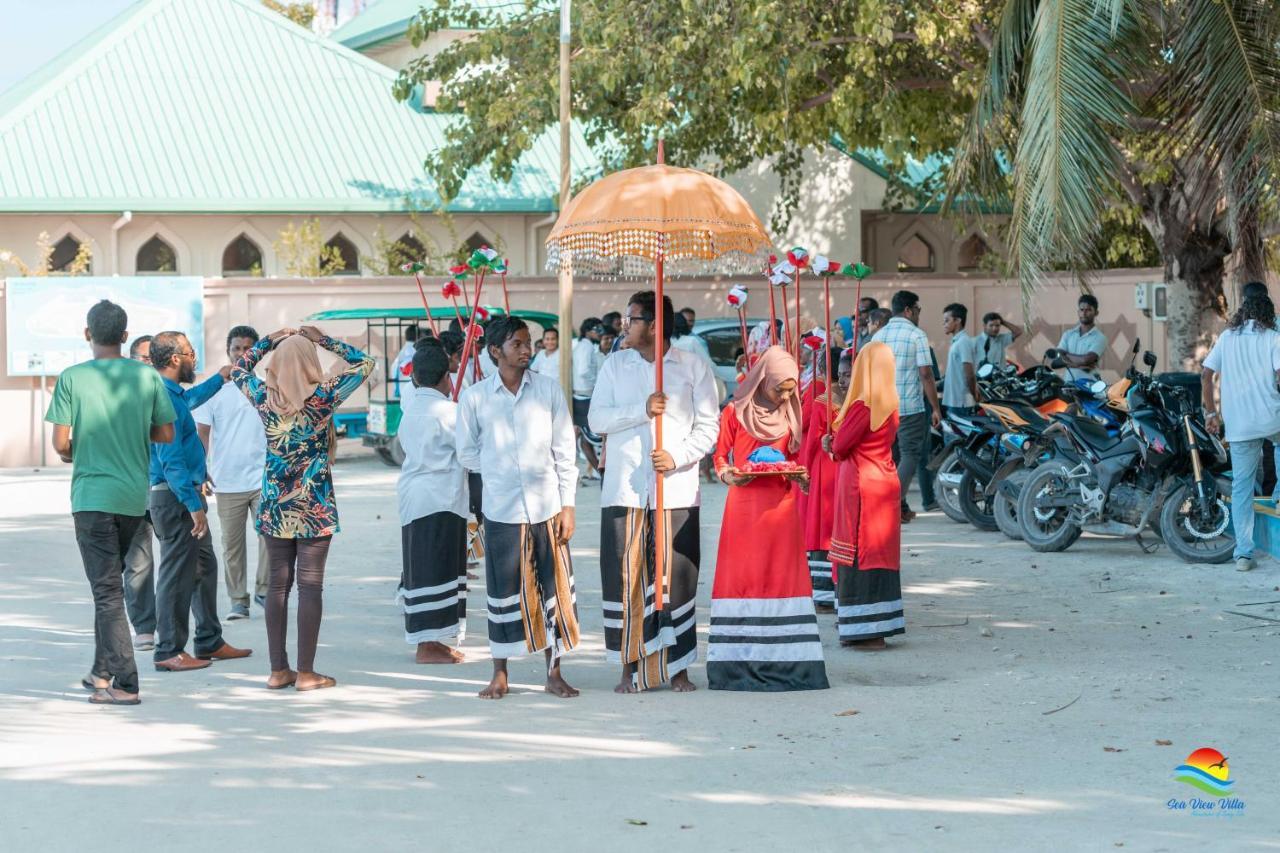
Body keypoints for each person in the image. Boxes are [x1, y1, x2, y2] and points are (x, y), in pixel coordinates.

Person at [232, 325, 375, 691]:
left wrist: (269, 342)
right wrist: (321, 340)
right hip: (314, 505)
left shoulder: (263, 396)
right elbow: (365, 363)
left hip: (275, 507)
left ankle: (279, 670)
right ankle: (307, 672)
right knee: (310, 587)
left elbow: (237, 369)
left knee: (277, 586)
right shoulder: (324, 397)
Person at [589, 291, 720, 693]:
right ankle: (628, 666)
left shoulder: (693, 367)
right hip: (625, 491)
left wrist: (678, 456)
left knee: (675, 578)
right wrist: (642, 410)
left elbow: (709, 428)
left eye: (633, 318)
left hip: (675, 490)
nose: (623, 325)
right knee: (625, 576)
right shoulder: (615, 364)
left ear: (656, 325)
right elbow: (597, 420)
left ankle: (678, 667)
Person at [46, 301, 176, 705]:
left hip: (91, 498)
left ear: (88, 334)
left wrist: (79, 451)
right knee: (111, 591)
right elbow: (165, 434)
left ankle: (126, 683)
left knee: (106, 592)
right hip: (133, 500)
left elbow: (61, 444)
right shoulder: (147, 377)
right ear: (124, 336)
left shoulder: (72, 378)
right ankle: (101, 672)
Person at [455, 316, 580, 699]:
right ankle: (500, 673)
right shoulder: (475, 397)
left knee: (552, 591)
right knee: (503, 591)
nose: (527, 350)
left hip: (547, 508)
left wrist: (568, 505)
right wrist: (499, 470)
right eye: (518, 344)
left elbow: (565, 451)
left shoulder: (547, 390)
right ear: (496, 351)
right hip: (502, 509)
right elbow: (466, 452)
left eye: (529, 343)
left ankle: (553, 671)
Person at [708, 346, 829, 692]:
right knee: (744, 577)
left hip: (781, 507)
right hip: (744, 507)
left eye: (791, 390)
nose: (786, 396)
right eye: (780, 389)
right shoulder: (735, 410)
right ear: (763, 380)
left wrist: (801, 478)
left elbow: (794, 459)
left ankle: (793, 665)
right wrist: (729, 475)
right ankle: (737, 667)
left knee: (782, 578)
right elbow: (720, 456)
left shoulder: (792, 411)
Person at [147, 331, 252, 673]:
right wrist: (193, 506)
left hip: (185, 492)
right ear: (176, 359)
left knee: (204, 567)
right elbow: (170, 459)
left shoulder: (172, 395)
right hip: (175, 499)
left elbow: (191, 401)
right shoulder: (160, 396)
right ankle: (167, 650)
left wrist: (221, 378)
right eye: (191, 353)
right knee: (176, 576)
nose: (195, 359)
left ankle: (209, 640)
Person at [824, 342, 904, 649]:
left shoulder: (862, 406)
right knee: (879, 553)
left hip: (861, 487)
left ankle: (865, 631)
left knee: (859, 554)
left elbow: (842, 445)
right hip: (884, 481)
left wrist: (832, 440)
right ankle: (879, 627)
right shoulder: (890, 403)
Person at [396, 338, 469, 662]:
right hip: (440, 498)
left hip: (415, 497)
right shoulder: (449, 412)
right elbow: (470, 454)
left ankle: (434, 641)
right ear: (447, 378)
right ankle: (426, 646)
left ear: (414, 378)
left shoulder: (410, 408)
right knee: (436, 570)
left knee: (425, 568)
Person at [194, 325, 269, 620]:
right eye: (236, 348)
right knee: (232, 546)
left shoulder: (267, 387)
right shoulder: (214, 390)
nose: (241, 354)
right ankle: (239, 600)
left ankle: (265, 590)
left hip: (264, 478)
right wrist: (200, 472)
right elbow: (202, 435)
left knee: (271, 539)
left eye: (248, 348)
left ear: (257, 353)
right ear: (228, 351)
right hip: (227, 481)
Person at [1202, 294, 1280, 572]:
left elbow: (1206, 373)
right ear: (1268, 314)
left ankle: (1244, 554)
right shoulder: (1273, 337)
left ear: (1243, 313)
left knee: (1242, 488)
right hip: (1271, 418)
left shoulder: (1227, 338)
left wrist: (1211, 413)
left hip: (1239, 424)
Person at [871, 290, 941, 522]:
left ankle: (899, 507)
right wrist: (936, 408)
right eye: (918, 310)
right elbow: (926, 374)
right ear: (909, 310)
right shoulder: (916, 335)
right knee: (911, 455)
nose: (919, 315)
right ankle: (889, 504)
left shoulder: (878, 337)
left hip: (881, 408)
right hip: (910, 407)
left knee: (891, 457)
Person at [797, 347, 850, 613]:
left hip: (822, 464)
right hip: (841, 466)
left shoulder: (822, 397)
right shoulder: (853, 396)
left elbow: (807, 427)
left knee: (819, 529)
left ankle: (822, 593)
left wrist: (803, 470)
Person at [122, 334, 158, 650]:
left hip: (168, 491)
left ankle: (190, 628)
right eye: (142, 359)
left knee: (189, 560)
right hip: (134, 492)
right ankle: (144, 627)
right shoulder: (121, 397)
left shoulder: (168, 393)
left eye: (152, 358)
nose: (148, 364)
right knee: (138, 564)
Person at [572, 318, 604, 477]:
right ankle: (600, 470)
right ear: (587, 330)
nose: (600, 333)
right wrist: (597, 382)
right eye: (596, 329)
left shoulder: (584, 346)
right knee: (591, 436)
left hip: (583, 394)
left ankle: (599, 469)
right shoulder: (586, 347)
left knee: (585, 439)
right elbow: (583, 371)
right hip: (585, 394)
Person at [1055, 294, 1107, 381]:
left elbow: (1086, 360)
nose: (1084, 313)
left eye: (1089, 310)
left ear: (1096, 313)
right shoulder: (1068, 334)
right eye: (1082, 309)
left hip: (1089, 387)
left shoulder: (1100, 337)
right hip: (1068, 386)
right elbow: (1057, 358)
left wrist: (1066, 354)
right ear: (1078, 312)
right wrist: (1079, 365)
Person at [941, 303, 978, 416]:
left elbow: (969, 374)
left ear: (958, 320)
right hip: (954, 401)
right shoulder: (957, 342)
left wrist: (975, 396)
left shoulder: (964, 342)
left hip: (961, 402)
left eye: (947, 320)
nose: (944, 324)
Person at [390, 325, 420, 398]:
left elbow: (393, 371)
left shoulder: (402, 353)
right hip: (412, 395)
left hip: (400, 394)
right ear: (418, 336)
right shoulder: (415, 353)